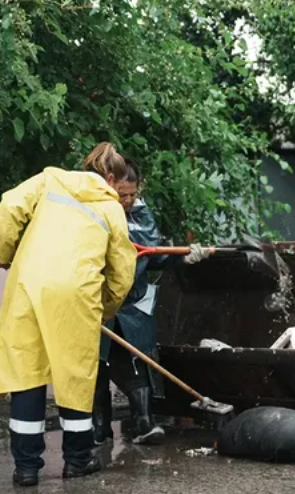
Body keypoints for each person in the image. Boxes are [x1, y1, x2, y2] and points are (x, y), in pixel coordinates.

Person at [0, 142, 137, 487]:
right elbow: (122, 274)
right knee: (75, 377)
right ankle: (77, 461)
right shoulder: (111, 209)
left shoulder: (49, 179)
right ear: (110, 178)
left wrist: (1, 253)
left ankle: (26, 469)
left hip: (28, 287)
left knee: (26, 373)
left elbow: (9, 206)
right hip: (76, 295)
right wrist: (105, 308)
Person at [92, 158, 210, 446]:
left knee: (137, 361)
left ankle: (144, 423)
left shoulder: (141, 215)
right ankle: (97, 430)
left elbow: (154, 256)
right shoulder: (95, 212)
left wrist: (183, 258)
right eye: (122, 195)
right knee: (96, 367)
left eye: (132, 194)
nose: (128, 201)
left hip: (132, 304)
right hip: (98, 303)